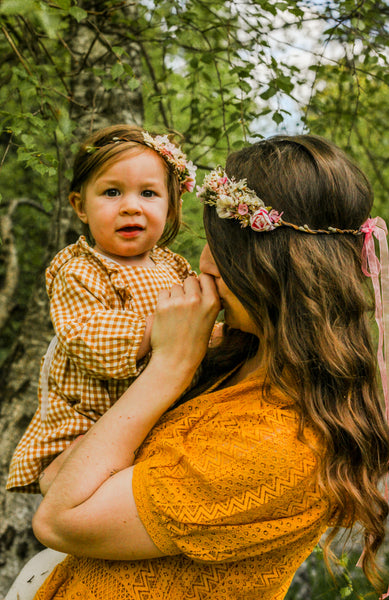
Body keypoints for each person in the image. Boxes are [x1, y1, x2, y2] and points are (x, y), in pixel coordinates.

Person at [10, 135, 389, 600]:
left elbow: (59, 518)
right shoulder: (233, 356)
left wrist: (168, 364)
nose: (203, 264)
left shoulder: (285, 443)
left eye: (222, 250)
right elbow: (60, 475)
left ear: (275, 267)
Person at [6, 124, 197, 493]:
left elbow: (199, 322)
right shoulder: (80, 269)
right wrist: (169, 328)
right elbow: (89, 339)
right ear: (80, 206)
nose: (130, 206)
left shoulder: (173, 267)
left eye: (148, 193)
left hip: (155, 417)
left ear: (171, 207)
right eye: (112, 192)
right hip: (87, 422)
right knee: (76, 486)